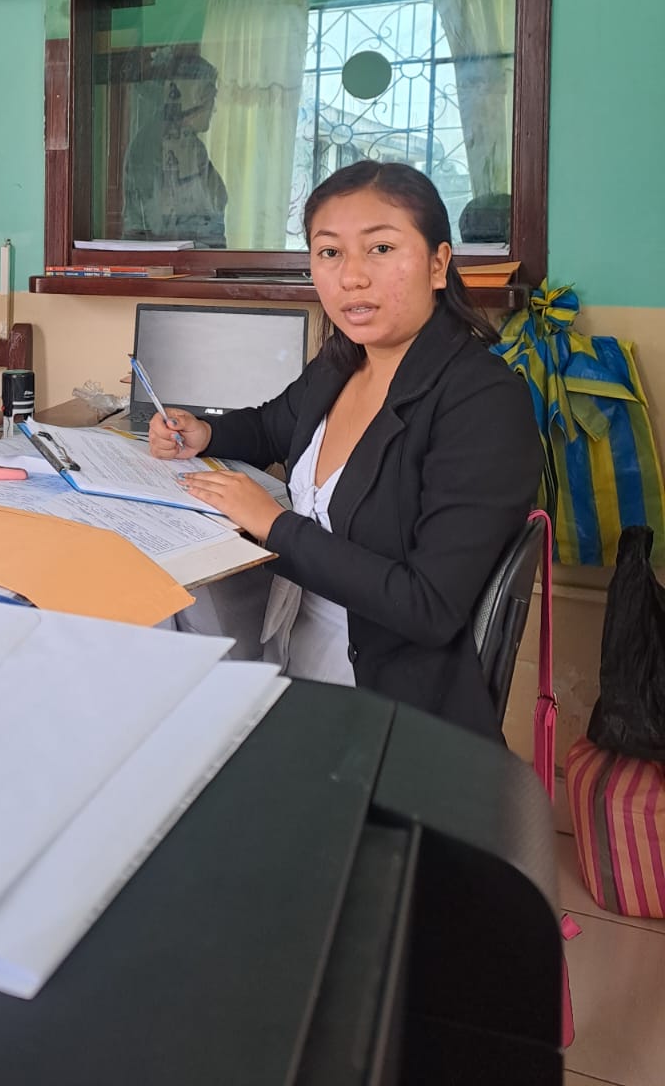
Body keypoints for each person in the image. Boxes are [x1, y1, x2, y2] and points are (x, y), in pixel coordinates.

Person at [149, 160, 541, 738]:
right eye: (329, 252)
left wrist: (273, 524)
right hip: (287, 655)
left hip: (382, 710)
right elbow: (271, 427)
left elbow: (428, 607)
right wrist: (205, 433)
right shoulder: (342, 361)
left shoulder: (482, 402)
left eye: (381, 248)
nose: (352, 277)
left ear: (437, 264)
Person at [122, 56, 228, 248]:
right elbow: (157, 221)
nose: (213, 108)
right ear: (194, 97)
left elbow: (218, 199)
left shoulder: (191, 144)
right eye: (209, 96)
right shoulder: (157, 143)